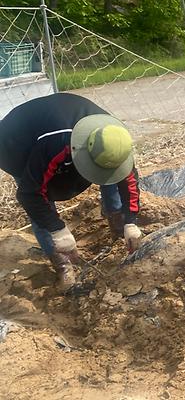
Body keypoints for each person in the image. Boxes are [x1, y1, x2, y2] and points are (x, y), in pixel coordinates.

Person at [0, 93, 142, 291]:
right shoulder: (59, 143)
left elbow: (128, 179)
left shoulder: (114, 137)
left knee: (108, 170)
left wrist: (131, 221)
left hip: (59, 129)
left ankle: (118, 226)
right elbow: (29, 194)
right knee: (42, 197)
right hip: (16, 144)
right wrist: (57, 229)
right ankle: (62, 264)